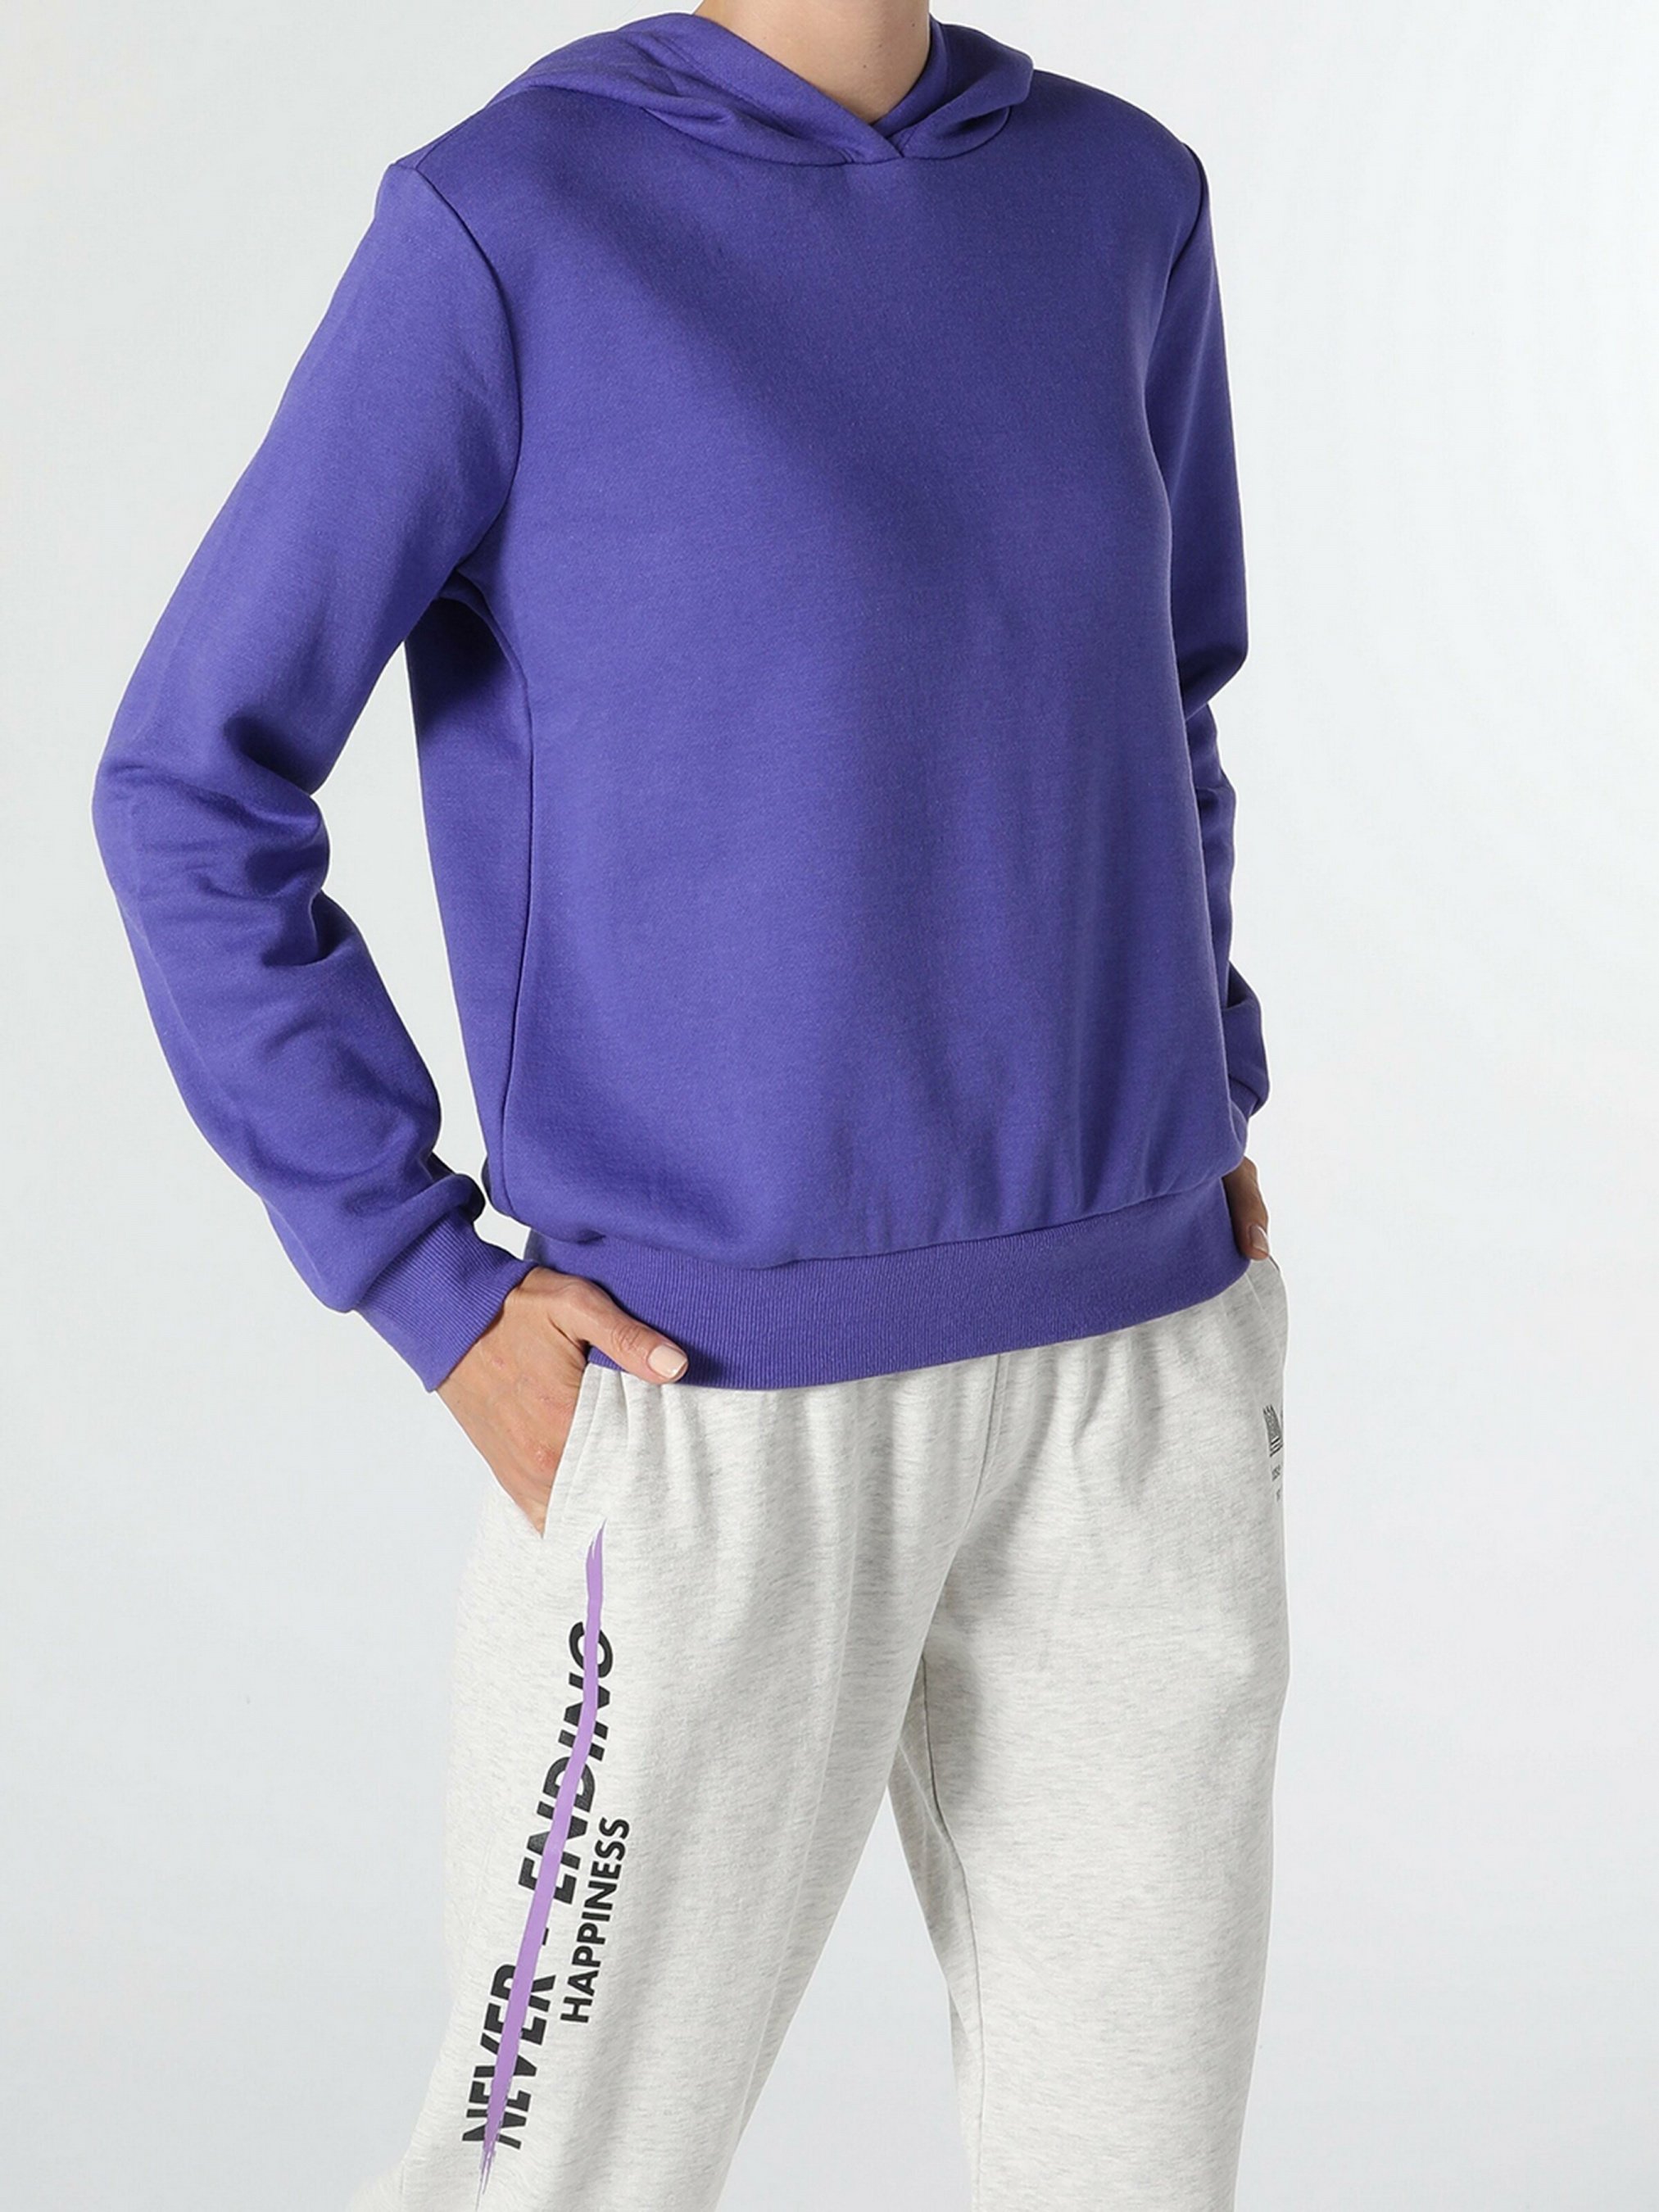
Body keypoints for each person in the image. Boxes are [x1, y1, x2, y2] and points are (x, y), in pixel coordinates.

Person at [91, 2, 1291, 2204]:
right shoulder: (510, 225)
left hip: (1142, 1381)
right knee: (546, 2168)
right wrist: (424, 1282)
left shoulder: (1121, 199)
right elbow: (188, 783)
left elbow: (1166, 683)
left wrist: (1202, 1083)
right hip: (707, 1409)